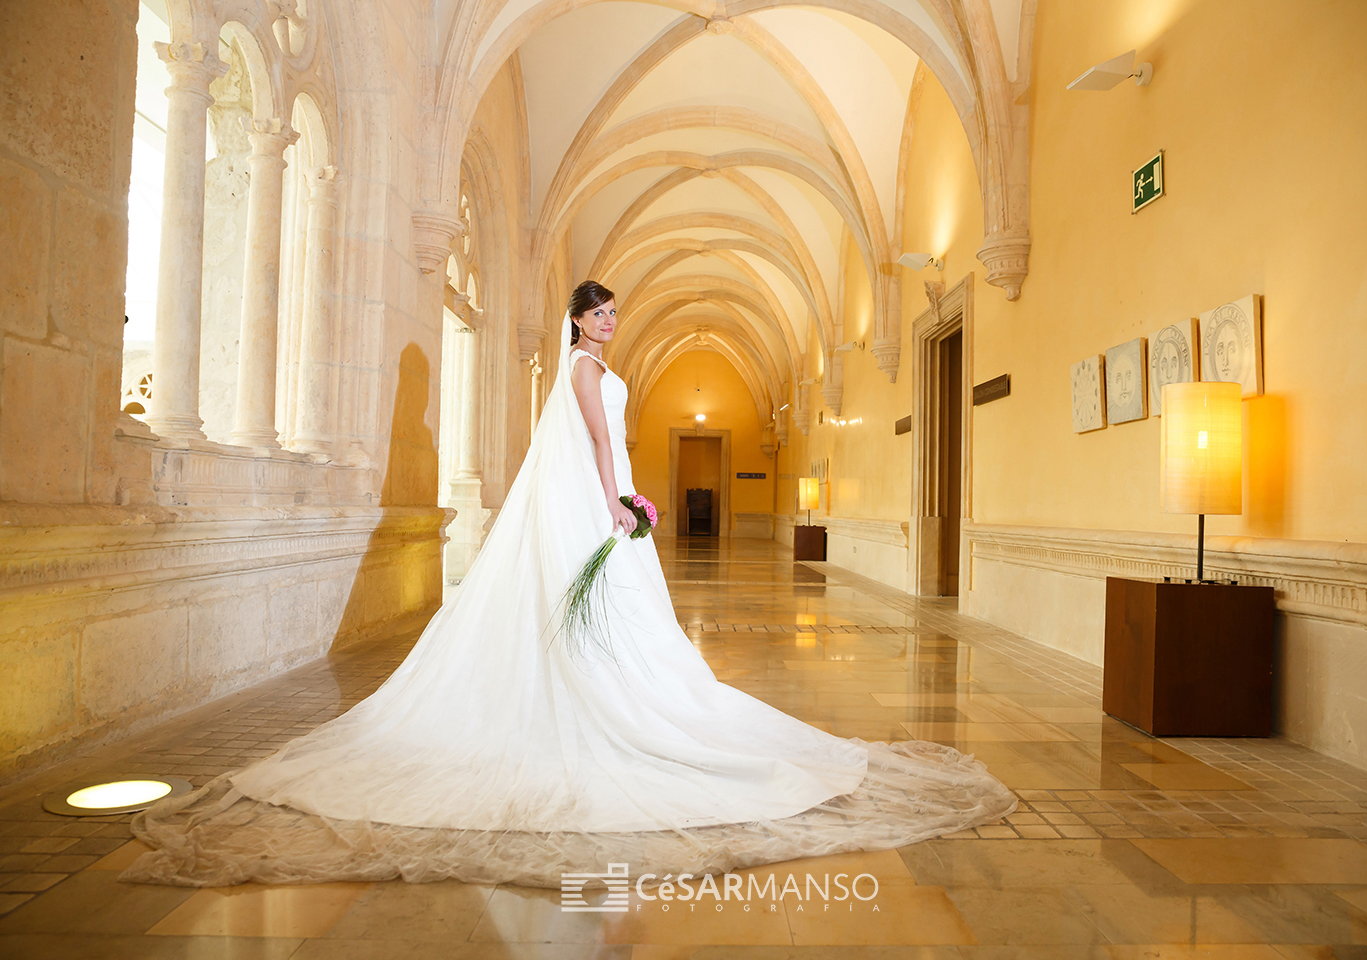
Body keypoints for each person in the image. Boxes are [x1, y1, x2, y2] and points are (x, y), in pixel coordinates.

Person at [124, 280, 1014, 888]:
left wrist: (625, 491)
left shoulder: (589, 369)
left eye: (617, 311)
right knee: (618, 622)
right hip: (600, 499)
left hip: (608, 493)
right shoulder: (584, 373)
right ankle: (614, 702)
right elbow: (597, 443)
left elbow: (606, 442)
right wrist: (618, 506)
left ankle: (624, 687)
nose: (611, 321)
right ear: (579, 322)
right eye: (602, 312)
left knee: (627, 627)